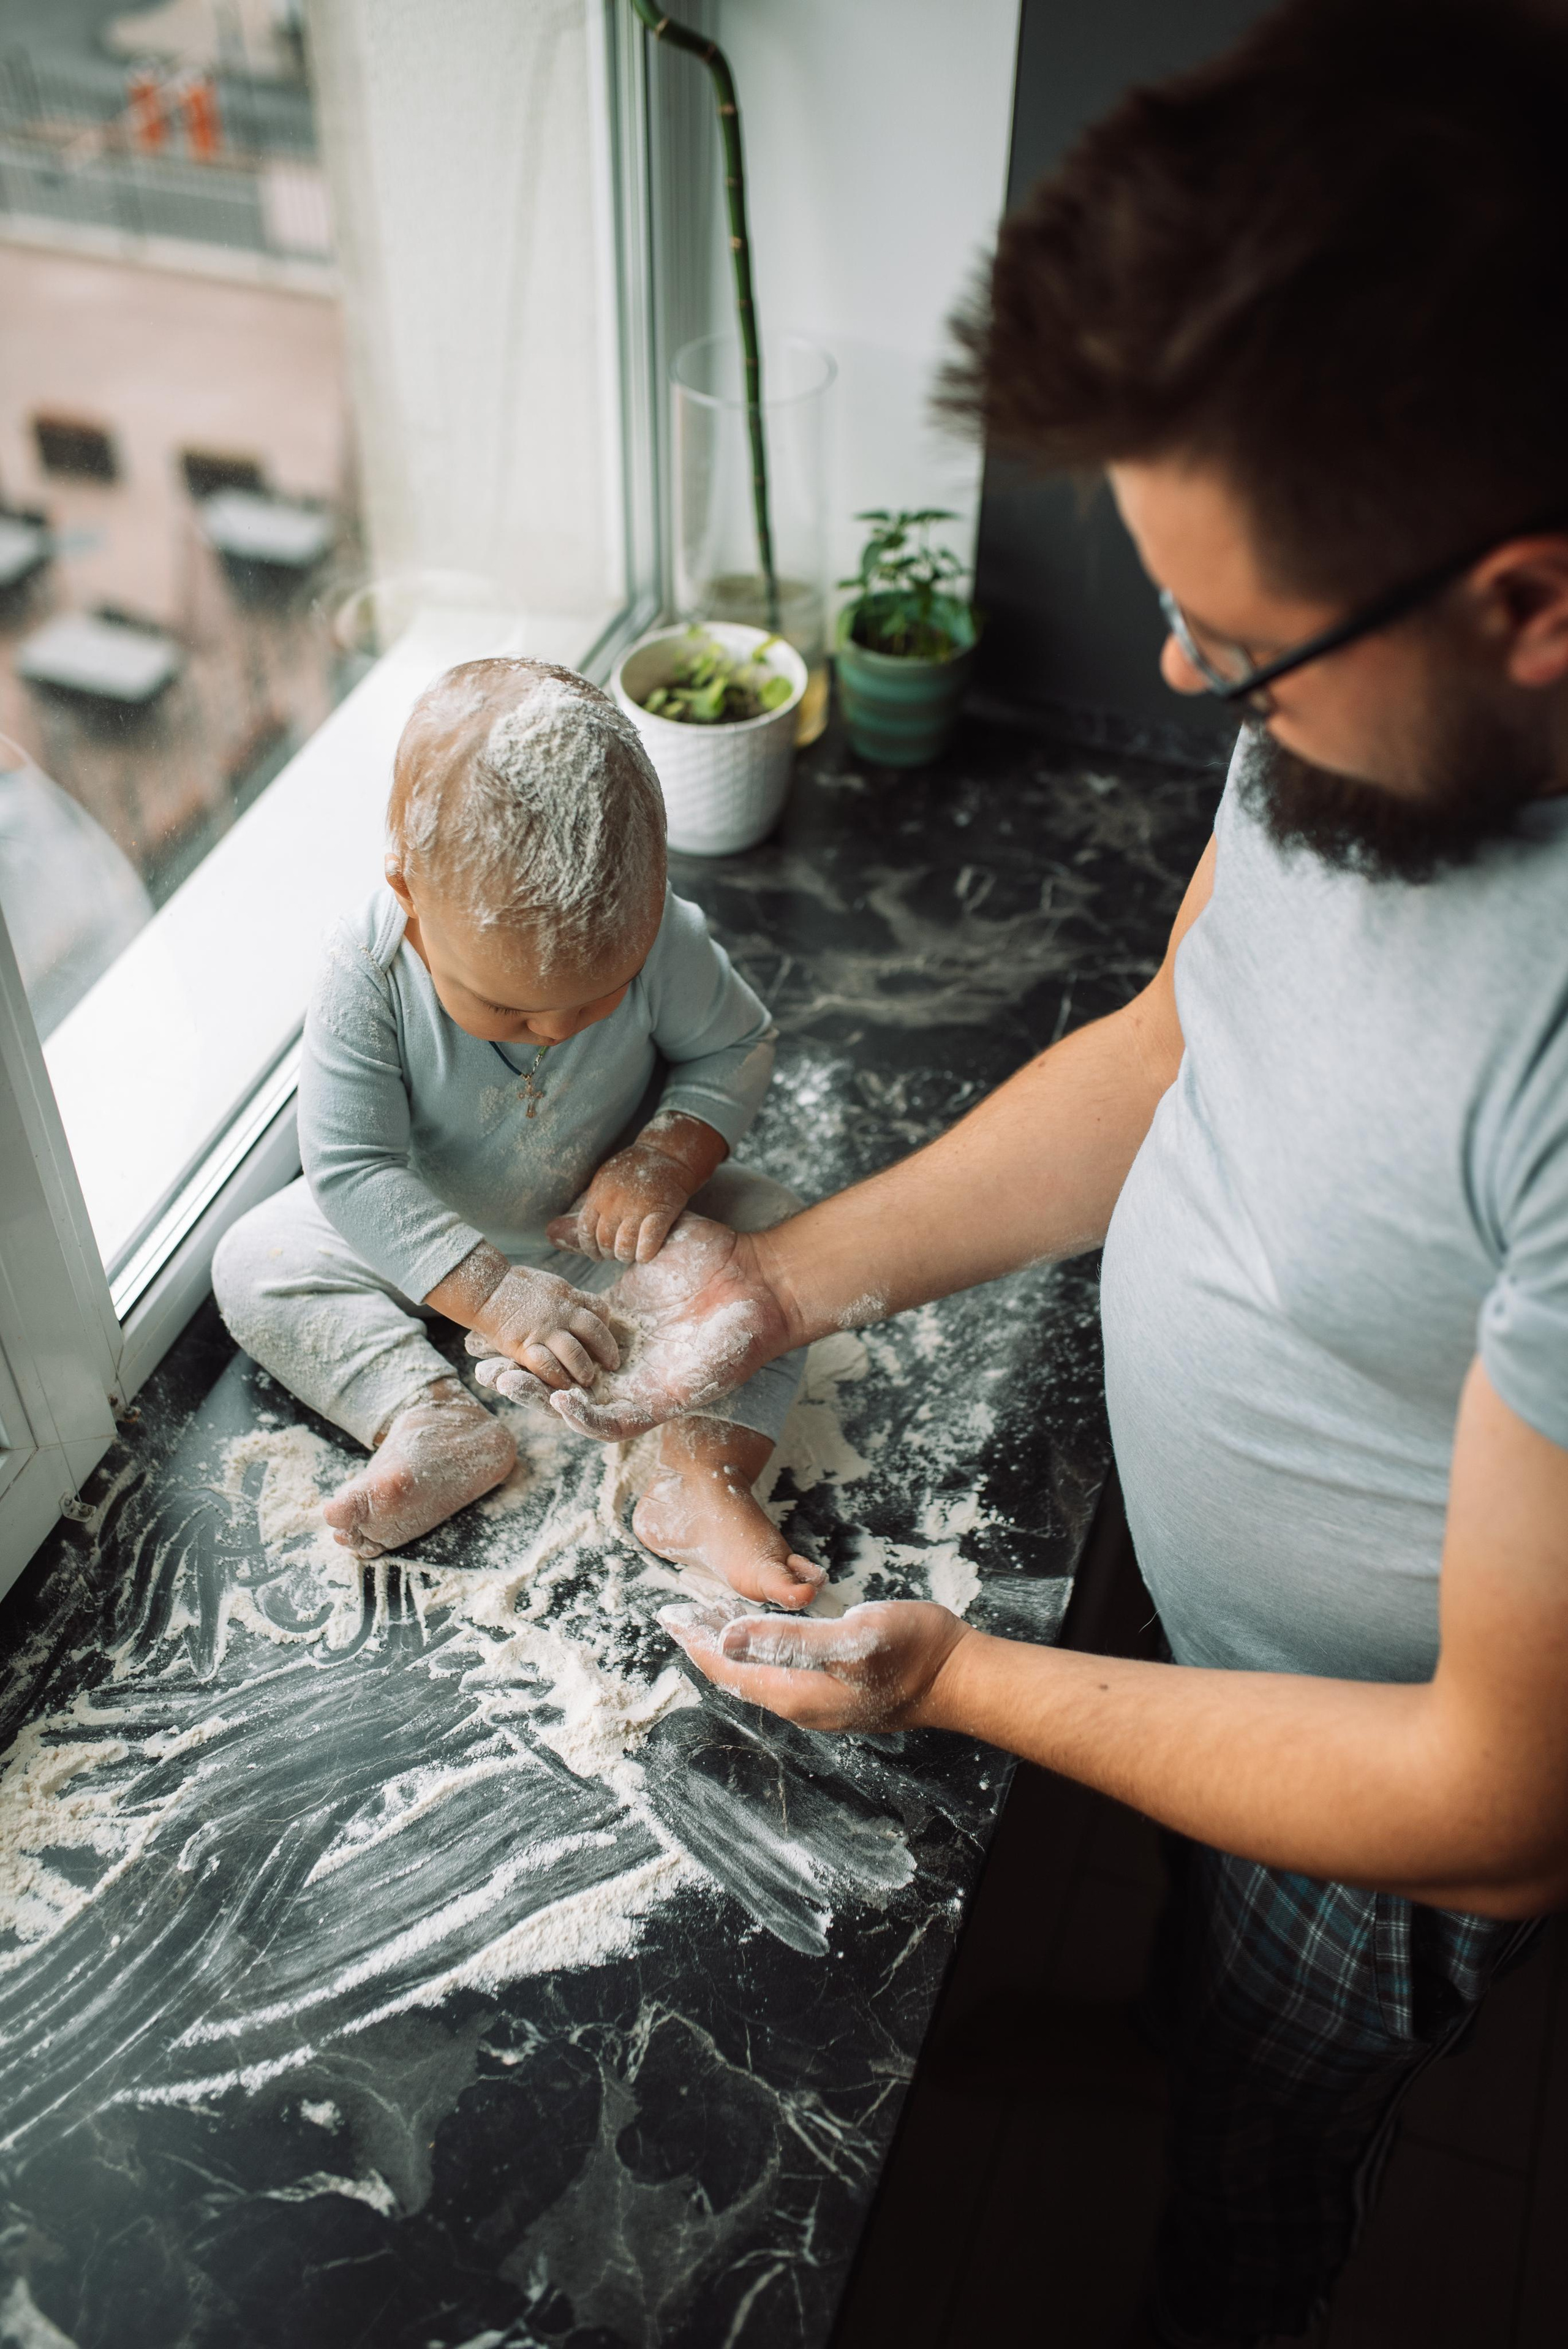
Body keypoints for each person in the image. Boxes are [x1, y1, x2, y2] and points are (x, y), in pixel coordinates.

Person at [527, 2, 1568, 2340]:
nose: (1191, 673)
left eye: (1243, 655)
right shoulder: (1382, 714)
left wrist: (960, 1683)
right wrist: (777, 1285)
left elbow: (1499, 1791)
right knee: (1166, 1963)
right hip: (1209, 1619)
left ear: (1531, 599)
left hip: (1373, 1794)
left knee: (1261, 2153)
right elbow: (1183, 1039)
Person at [213, 656, 817, 1608]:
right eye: (507, 1007)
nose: (558, 1028)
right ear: (409, 896)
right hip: (428, 1239)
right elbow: (354, 1169)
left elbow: (736, 1043)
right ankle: (429, 1417)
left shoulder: (658, 934)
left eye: (598, 997)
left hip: (605, 1240)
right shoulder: (365, 974)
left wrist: (667, 1155)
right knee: (256, 1259)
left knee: (784, 1248)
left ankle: (701, 1479)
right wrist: (492, 1293)